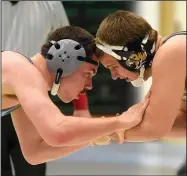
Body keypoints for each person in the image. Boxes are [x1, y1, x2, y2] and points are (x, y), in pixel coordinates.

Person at [2, 25, 149, 165]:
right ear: (65, 58)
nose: (89, 86)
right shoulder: (18, 67)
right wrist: (119, 121)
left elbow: (35, 152)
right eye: (88, 74)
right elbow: (57, 130)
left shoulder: (24, 87)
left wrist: (96, 135)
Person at [2, 2, 91, 176]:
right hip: (6, 93)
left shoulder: (50, 4)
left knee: (33, 166)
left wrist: (81, 106)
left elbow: (74, 51)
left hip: (33, 101)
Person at [95, 10, 186, 143]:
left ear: (132, 57)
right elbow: (184, 122)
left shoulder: (171, 52)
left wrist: (98, 133)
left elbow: (153, 129)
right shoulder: (174, 51)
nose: (114, 76)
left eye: (113, 67)